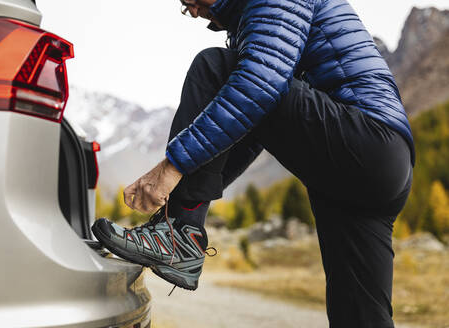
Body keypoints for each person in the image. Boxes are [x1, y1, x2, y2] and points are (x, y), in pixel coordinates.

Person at [92, 0, 415, 326]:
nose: (190, 11)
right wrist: (193, 184)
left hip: (365, 139)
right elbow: (253, 127)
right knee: (359, 317)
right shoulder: (253, 17)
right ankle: (179, 233)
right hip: (375, 168)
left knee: (215, 67)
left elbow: (259, 86)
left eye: (187, 0)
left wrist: (173, 169)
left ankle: (178, 236)